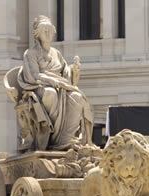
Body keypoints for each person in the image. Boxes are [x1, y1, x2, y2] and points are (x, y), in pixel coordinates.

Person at [17, 15, 93, 150]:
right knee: (50, 94)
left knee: (77, 97)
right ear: (37, 34)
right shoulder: (30, 53)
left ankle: (66, 138)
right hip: (40, 87)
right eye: (44, 30)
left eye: (50, 30)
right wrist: (52, 81)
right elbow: (33, 76)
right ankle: (51, 138)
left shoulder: (56, 53)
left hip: (61, 86)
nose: (48, 33)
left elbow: (65, 73)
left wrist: (74, 70)